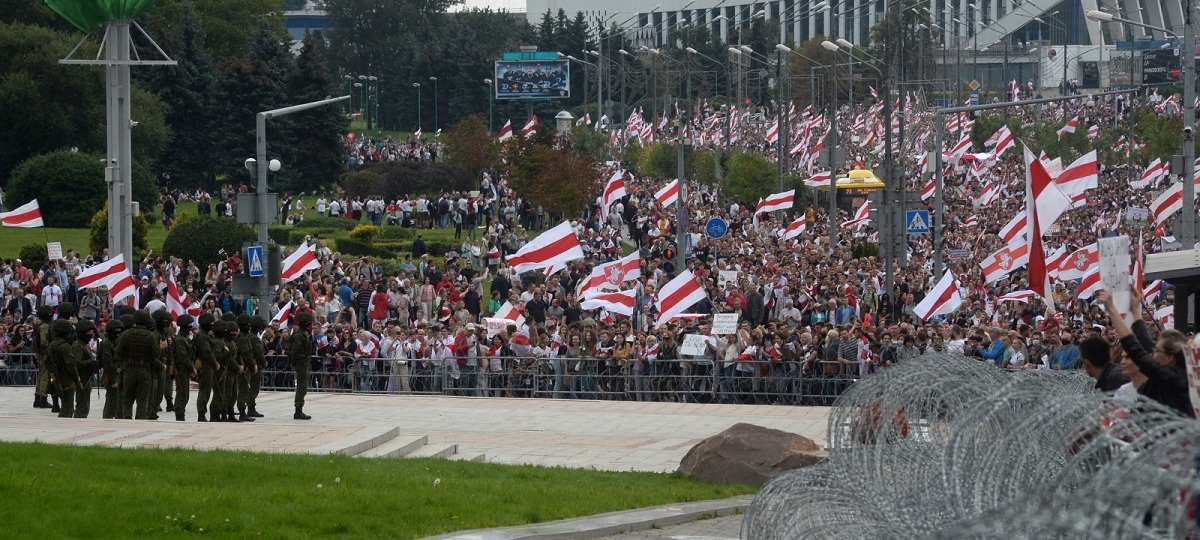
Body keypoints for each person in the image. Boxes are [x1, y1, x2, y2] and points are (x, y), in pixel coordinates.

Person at [1100, 290, 1194, 417]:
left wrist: (1112, 310)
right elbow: (1145, 340)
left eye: (1156, 350)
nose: (1152, 352)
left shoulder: (1175, 379)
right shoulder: (1168, 370)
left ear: (1169, 358)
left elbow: (1136, 351)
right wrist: (1135, 310)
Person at [116, 311, 161, 420]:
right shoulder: (150, 335)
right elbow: (156, 354)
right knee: (142, 399)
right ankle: (140, 421)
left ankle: (127, 419)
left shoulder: (126, 334)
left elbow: (118, 352)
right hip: (144, 369)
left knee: (127, 398)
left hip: (129, 368)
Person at [194, 313, 219, 422]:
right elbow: (207, 352)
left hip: (206, 365)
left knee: (205, 390)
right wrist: (215, 363)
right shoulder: (203, 337)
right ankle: (201, 413)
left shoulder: (203, 335)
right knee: (205, 391)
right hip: (206, 366)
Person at [172, 314, 197, 421]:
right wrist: (192, 368)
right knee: (182, 392)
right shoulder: (179, 339)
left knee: (185, 393)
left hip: (185, 369)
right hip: (181, 369)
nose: (190, 327)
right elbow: (182, 356)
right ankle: (179, 413)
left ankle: (181, 412)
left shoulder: (185, 338)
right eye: (189, 325)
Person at [290, 312, 315, 420]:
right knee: (301, 387)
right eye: (309, 323)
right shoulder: (299, 335)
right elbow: (294, 350)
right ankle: (298, 410)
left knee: (303, 387)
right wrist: (293, 363)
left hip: (304, 362)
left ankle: (299, 409)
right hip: (301, 363)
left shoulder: (303, 334)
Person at [98, 320, 124, 419]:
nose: (118, 332)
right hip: (112, 375)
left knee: (119, 403)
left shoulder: (118, 342)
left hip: (120, 373)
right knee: (112, 402)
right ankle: (107, 420)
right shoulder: (106, 344)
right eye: (116, 330)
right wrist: (113, 380)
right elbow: (107, 363)